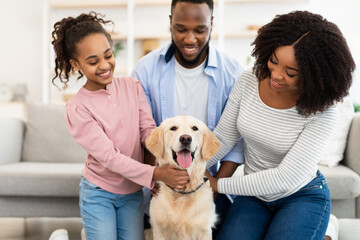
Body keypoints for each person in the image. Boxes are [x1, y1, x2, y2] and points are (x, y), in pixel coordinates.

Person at [205, 10, 355, 240]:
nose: (275, 75)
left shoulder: (324, 111)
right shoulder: (249, 80)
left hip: (301, 195)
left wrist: (217, 185)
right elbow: (224, 137)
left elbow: (284, 177)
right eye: (273, 61)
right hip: (254, 196)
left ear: (314, 75)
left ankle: (324, 228)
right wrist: (191, 167)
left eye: (291, 72)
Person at [51, 12, 189, 240]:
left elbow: (148, 132)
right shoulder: (78, 108)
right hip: (98, 193)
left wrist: (168, 155)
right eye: (93, 61)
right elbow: (110, 158)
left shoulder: (132, 86)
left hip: (133, 192)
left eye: (108, 55)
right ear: (76, 64)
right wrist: (156, 173)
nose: (105, 65)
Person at [131, 0, 244, 237]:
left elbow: (237, 142)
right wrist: (154, 177)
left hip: (209, 184)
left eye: (200, 30)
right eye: (181, 28)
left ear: (211, 24)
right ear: (170, 22)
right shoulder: (145, 70)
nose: (190, 39)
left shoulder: (233, 73)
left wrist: (214, 187)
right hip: (159, 183)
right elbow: (141, 131)